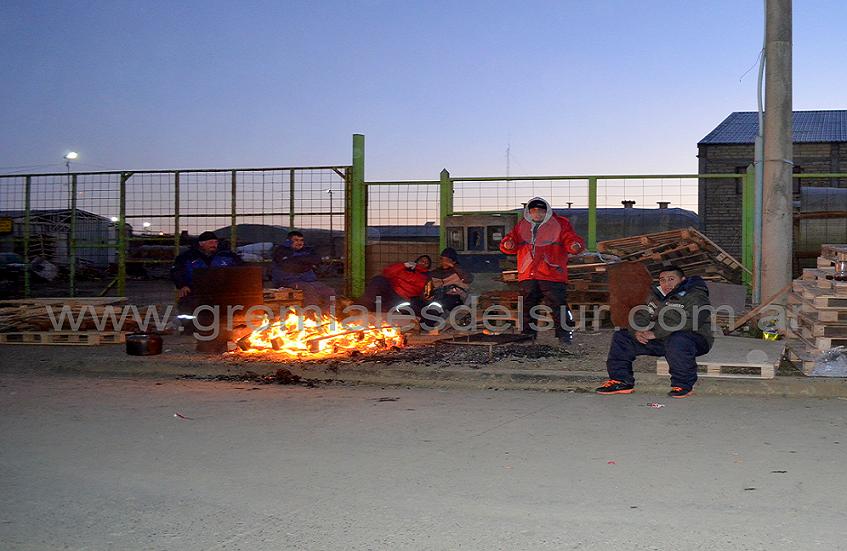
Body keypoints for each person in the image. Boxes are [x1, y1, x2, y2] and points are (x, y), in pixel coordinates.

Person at [596, 265, 714, 398]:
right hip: (663, 339)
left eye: (671, 279)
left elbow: (693, 320)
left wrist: (656, 333)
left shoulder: (695, 294)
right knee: (622, 336)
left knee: (677, 339)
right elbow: (641, 315)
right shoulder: (656, 296)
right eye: (662, 280)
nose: (666, 283)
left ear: (682, 280)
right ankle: (621, 381)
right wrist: (637, 330)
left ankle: (683, 385)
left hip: (694, 339)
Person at [499, 196, 585, 345]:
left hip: (552, 274)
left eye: (540, 211)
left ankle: (565, 336)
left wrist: (575, 245)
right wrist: (508, 244)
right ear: (529, 212)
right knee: (527, 307)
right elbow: (509, 242)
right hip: (528, 274)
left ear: (547, 212)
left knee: (558, 306)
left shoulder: (560, 224)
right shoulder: (522, 226)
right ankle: (527, 336)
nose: (537, 213)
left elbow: (571, 239)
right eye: (533, 211)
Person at [170, 231, 243, 306]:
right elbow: (176, 272)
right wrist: (182, 285)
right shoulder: (186, 257)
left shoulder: (227, 256)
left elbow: (240, 270)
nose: (214, 245)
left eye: (215, 242)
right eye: (211, 242)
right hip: (194, 292)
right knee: (189, 313)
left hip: (222, 292)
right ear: (201, 244)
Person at [271, 230, 337, 307]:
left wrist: (297, 260)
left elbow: (317, 259)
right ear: (288, 241)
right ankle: (310, 315)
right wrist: (306, 263)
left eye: (301, 240)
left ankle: (329, 314)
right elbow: (289, 265)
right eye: (296, 240)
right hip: (288, 281)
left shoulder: (308, 249)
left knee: (329, 292)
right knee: (309, 291)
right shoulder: (281, 250)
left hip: (309, 280)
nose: (300, 243)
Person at [413, 247, 473, 328]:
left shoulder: (458, 271)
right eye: (442, 259)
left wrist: (453, 266)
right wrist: (427, 296)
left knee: (439, 305)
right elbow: (427, 289)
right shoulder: (434, 273)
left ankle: (426, 324)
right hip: (437, 297)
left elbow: (468, 279)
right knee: (415, 302)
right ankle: (420, 322)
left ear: (453, 260)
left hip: (454, 298)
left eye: (447, 259)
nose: (444, 261)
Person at [355, 255, 431, 311]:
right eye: (421, 260)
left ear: (428, 266)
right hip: (390, 291)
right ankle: (359, 307)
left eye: (426, 262)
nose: (423, 263)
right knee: (378, 279)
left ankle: (366, 311)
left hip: (401, 299)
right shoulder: (404, 268)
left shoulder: (426, 276)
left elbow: (417, 281)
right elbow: (387, 272)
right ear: (416, 261)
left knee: (381, 309)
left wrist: (399, 274)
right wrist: (404, 265)